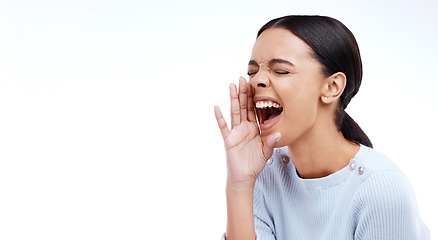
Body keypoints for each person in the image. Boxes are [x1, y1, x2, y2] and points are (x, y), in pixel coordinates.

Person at [214, 15, 430, 240]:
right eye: (252, 71)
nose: (256, 80)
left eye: (280, 71)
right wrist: (239, 184)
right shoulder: (265, 174)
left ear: (332, 87)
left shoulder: (380, 188)